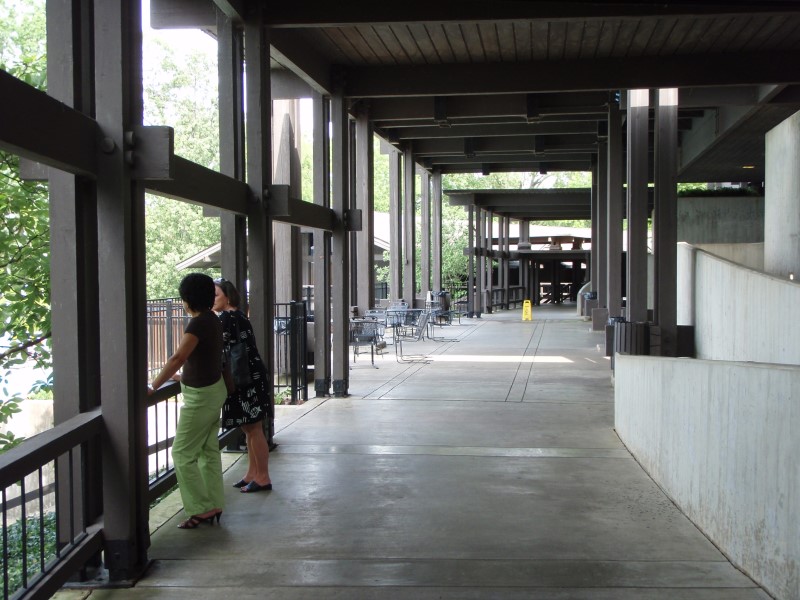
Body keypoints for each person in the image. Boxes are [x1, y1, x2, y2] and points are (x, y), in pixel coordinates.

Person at [148, 273, 227, 529]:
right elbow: (200, 358)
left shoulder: (197, 324)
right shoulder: (212, 320)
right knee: (207, 451)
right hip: (214, 389)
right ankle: (213, 503)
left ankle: (200, 509)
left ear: (187, 298)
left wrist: (153, 386)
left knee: (181, 453)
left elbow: (178, 357)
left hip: (200, 397)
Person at [213, 279, 273, 493]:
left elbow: (216, 347)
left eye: (216, 295)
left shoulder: (227, 317)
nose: (212, 299)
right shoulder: (237, 316)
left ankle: (263, 476)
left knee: (254, 429)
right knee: (250, 428)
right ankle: (252, 473)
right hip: (250, 376)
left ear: (227, 297)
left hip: (245, 378)